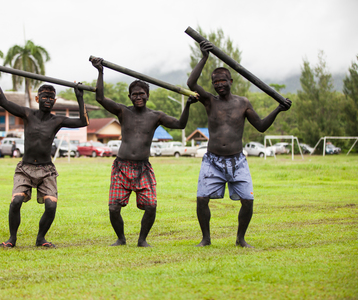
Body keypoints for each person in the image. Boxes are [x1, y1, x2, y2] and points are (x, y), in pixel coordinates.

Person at [187, 41, 292, 248]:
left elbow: (261, 126)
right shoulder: (209, 101)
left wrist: (278, 109)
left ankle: (240, 239)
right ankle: (206, 238)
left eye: (223, 80)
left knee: (248, 201)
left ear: (231, 81)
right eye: (215, 82)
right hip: (212, 160)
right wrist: (204, 57)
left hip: (237, 160)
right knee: (201, 199)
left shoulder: (243, 103)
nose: (219, 84)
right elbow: (191, 83)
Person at [91, 57, 198, 247]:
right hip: (121, 166)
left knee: (151, 206)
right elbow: (100, 98)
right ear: (129, 96)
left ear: (148, 95)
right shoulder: (123, 112)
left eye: (141, 94)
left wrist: (188, 104)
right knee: (114, 207)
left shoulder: (156, 116)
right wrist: (100, 71)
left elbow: (180, 124)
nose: (138, 97)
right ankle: (121, 239)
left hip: (143, 168)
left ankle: (142, 240)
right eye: (134, 94)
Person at [0, 63, 89, 248]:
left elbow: (83, 121)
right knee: (16, 201)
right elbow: (4, 102)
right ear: (37, 98)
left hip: (46, 170)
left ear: (54, 101)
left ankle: (41, 238)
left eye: (51, 97)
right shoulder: (28, 114)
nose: (48, 100)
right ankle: (12, 239)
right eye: (44, 97)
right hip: (25, 168)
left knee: (51, 205)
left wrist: (79, 97)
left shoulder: (57, 120)